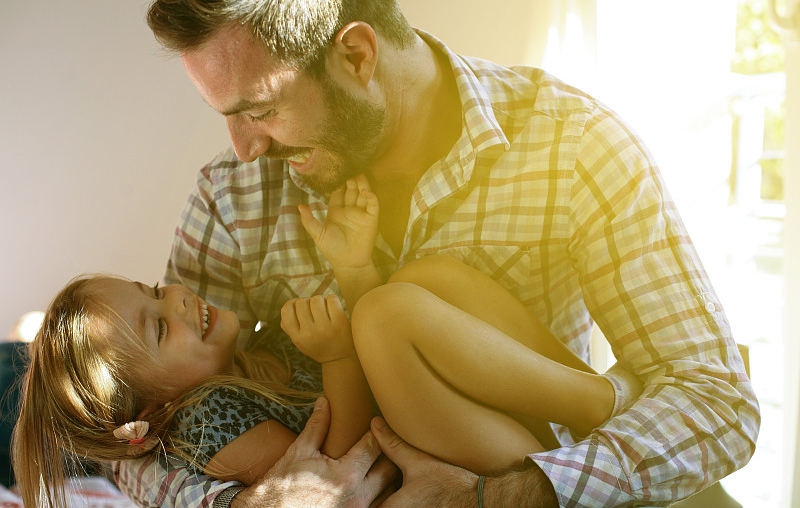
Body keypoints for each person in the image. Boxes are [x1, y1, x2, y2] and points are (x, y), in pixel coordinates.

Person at [117, 0, 760, 506]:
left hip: (547, 463)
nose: (246, 147)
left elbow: (718, 401)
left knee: (408, 296)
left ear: (358, 56)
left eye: (260, 110)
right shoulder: (235, 196)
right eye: (228, 118)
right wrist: (246, 503)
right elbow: (134, 429)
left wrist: (513, 494)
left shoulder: (573, 146)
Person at [12, 176, 633, 508]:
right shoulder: (204, 422)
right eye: (159, 325)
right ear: (144, 419)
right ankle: (604, 406)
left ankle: (587, 391)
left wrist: (354, 266)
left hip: (479, 430)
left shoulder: (254, 349)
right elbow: (341, 467)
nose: (176, 298)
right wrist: (337, 353)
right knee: (388, 313)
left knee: (426, 279)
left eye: (153, 289)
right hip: (464, 468)